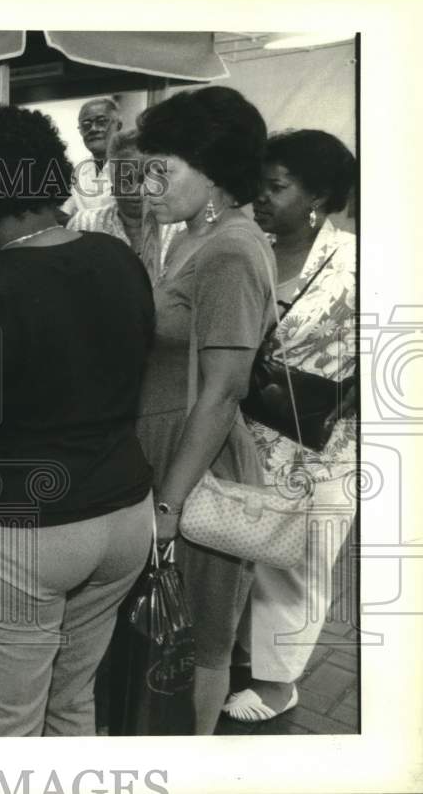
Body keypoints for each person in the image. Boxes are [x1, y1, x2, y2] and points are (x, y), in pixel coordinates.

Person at [0, 104, 156, 737]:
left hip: (17, 533)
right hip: (123, 518)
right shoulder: (120, 260)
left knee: (0, 730)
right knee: (72, 704)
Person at [133, 85, 275, 734]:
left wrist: (170, 505)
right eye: (146, 163)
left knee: (201, 643)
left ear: (214, 174)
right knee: (162, 633)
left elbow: (223, 389)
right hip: (165, 454)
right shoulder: (189, 236)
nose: (148, 180)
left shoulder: (233, 250)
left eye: (164, 167)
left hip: (201, 470)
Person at [224, 130, 358, 722]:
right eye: (258, 183)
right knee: (241, 549)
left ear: (320, 195)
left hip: (323, 445)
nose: (261, 196)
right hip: (242, 432)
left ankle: (279, 684)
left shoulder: (358, 262)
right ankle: (242, 656)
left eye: (276, 186)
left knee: (298, 564)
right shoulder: (247, 247)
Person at [65, 129, 184, 284]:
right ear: (112, 181)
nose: (135, 190)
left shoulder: (179, 228)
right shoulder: (85, 224)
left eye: (143, 179)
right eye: (125, 180)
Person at [58, 96, 123, 224]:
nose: (93, 129)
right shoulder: (78, 171)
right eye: (86, 125)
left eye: (102, 121)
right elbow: (63, 214)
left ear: (118, 125)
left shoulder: (134, 167)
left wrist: (78, 220)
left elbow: (127, 219)